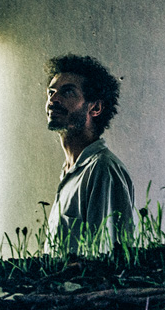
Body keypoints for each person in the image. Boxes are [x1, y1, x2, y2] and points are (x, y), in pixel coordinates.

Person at [44, 54, 135, 254]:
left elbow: (106, 260)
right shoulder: (71, 171)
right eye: (51, 92)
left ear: (95, 107)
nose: (53, 100)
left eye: (67, 92)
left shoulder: (102, 169)